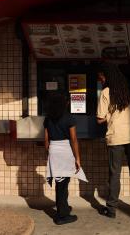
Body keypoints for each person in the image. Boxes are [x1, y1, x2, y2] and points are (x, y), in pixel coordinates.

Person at [96, 63, 130, 218]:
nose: (101, 80)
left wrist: (112, 114)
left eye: (101, 77)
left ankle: (111, 209)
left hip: (115, 138)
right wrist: (127, 111)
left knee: (114, 174)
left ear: (108, 77)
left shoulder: (106, 92)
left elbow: (100, 119)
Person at [44, 92, 81, 225]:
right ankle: (62, 216)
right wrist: (77, 158)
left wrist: (51, 154)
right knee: (63, 183)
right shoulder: (68, 118)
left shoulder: (48, 118)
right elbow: (74, 139)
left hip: (53, 150)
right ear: (65, 104)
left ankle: (63, 207)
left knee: (61, 182)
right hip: (65, 150)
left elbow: (46, 141)